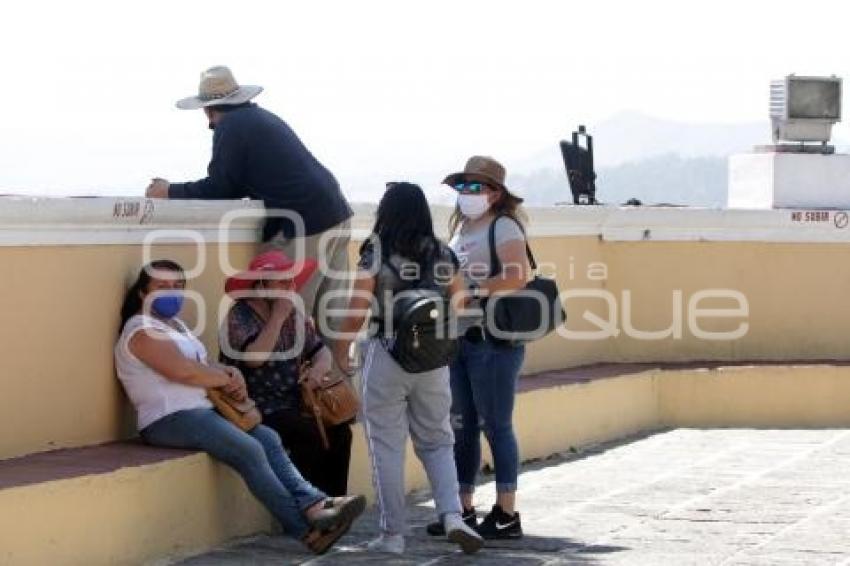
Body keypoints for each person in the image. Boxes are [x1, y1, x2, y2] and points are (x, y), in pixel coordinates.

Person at [114, 260, 365, 555]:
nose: (171, 293)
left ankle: (317, 504)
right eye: (161, 287)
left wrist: (228, 373)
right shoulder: (141, 330)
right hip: (170, 418)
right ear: (143, 293)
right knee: (250, 450)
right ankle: (307, 530)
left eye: (177, 287)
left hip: (203, 411)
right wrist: (223, 376)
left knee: (268, 440)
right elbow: (183, 371)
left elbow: (201, 364)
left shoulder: (175, 326)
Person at [145, 65, 353, 346]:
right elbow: (241, 182)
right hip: (335, 214)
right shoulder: (260, 118)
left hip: (301, 225)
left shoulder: (230, 126)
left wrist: (168, 190)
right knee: (333, 325)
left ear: (208, 110)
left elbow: (221, 187)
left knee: (287, 319)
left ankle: (292, 389)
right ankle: (339, 387)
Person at [332, 182, 483, 555]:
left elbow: (356, 308)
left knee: (386, 445)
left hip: (387, 355)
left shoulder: (376, 251)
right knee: (438, 440)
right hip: (434, 361)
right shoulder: (443, 252)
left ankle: (392, 535)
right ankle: (452, 516)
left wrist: (339, 350)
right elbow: (463, 305)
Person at [427, 156, 531, 540]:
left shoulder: (503, 226)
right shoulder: (464, 228)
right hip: (461, 338)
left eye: (476, 186)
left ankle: (506, 512)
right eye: (462, 186)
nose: (467, 193)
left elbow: (518, 275)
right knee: (462, 426)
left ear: (495, 192)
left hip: (493, 339)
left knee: (496, 425)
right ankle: (463, 508)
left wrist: (472, 291)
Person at [221, 250, 353, 496]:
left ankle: (335, 502)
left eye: (290, 281)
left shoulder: (293, 314)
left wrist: (316, 372)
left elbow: (320, 350)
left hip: (296, 398)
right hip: (258, 404)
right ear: (261, 285)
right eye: (282, 281)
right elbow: (254, 359)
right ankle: (312, 506)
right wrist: (278, 317)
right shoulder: (239, 315)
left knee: (340, 431)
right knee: (305, 433)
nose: (290, 286)